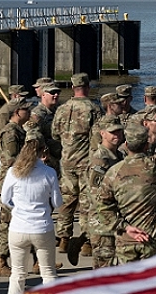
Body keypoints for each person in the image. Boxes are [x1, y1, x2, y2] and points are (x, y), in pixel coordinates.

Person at [96, 123, 156, 264]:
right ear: (146, 146)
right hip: (153, 237)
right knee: (153, 282)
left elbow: (102, 206)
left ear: (126, 144)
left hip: (126, 239)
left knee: (128, 282)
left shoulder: (113, 172)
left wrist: (124, 226)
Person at [1, 131, 63, 294]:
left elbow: (5, 199)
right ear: (43, 151)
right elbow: (57, 202)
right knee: (48, 273)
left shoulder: (13, 172)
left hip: (18, 228)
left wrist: (17, 208)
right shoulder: (49, 173)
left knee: (17, 274)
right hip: (42, 227)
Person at [51, 72, 102, 255]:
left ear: (73, 88)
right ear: (87, 87)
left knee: (67, 201)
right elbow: (97, 138)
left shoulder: (62, 109)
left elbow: (55, 134)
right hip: (86, 161)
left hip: (66, 160)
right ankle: (86, 240)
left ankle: (64, 238)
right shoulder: (94, 109)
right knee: (86, 202)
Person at [68, 115, 125, 269]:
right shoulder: (100, 160)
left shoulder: (119, 156)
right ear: (102, 133)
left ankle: (81, 239)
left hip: (113, 217)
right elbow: (96, 194)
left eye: (119, 132)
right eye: (113, 132)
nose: (117, 135)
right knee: (103, 269)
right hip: (102, 222)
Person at [0, 99, 32, 277]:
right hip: (12, 185)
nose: (29, 112)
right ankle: (1, 261)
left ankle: (38, 260)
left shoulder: (19, 130)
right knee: (8, 223)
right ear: (17, 112)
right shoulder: (10, 132)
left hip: (20, 182)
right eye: (25, 109)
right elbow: (11, 161)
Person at [30, 85, 62, 177]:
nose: (56, 95)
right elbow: (34, 137)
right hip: (46, 160)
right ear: (43, 95)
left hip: (58, 157)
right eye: (52, 93)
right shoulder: (37, 114)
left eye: (57, 93)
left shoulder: (58, 111)